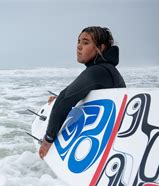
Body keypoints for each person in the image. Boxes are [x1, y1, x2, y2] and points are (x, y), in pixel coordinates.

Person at [39, 26, 126, 159]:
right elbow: (81, 95)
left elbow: (65, 98)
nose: (79, 47)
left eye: (85, 43)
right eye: (78, 42)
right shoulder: (106, 69)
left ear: (101, 48)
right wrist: (60, 99)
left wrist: (48, 139)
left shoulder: (98, 71)